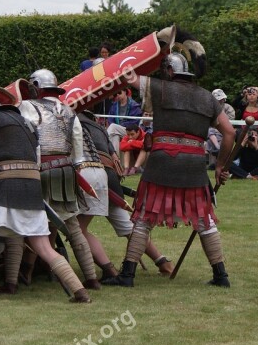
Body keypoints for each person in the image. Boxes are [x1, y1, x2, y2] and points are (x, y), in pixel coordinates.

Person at [104, 32, 236, 289]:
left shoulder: (158, 87)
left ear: (167, 70)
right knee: (203, 219)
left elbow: (127, 74)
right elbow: (230, 133)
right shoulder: (208, 97)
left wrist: (152, 53)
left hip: (162, 162)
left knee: (143, 217)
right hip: (194, 165)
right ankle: (221, 275)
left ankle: (128, 274)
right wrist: (221, 165)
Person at [0, 89, 91, 302]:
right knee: (44, 247)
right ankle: (80, 292)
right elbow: (37, 158)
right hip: (32, 187)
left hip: (4, 185)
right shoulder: (29, 125)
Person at [19, 69, 97, 292]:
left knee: (33, 225)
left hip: (41, 171)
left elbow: (28, 138)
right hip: (66, 171)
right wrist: (73, 166)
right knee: (72, 227)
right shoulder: (69, 110)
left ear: (36, 85)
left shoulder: (27, 106)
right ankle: (91, 278)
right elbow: (78, 150)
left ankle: (21, 275)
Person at [75, 110, 173, 279]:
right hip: (109, 179)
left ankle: (109, 270)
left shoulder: (73, 122)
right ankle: (162, 261)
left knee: (78, 229)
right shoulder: (99, 128)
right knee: (128, 227)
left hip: (89, 176)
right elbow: (115, 159)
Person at [106, 88, 142, 156]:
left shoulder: (134, 105)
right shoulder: (114, 105)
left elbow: (135, 122)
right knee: (115, 136)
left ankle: (105, 139)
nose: (117, 95)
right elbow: (110, 119)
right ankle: (116, 160)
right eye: (115, 94)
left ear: (125, 92)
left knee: (113, 127)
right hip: (117, 130)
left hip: (130, 131)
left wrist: (120, 125)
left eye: (119, 92)